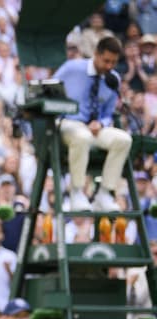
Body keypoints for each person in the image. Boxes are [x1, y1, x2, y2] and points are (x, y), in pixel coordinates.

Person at [55, 36, 132, 212]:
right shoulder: (71, 68)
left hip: (95, 129)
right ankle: (77, 193)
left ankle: (104, 194)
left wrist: (101, 123)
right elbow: (47, 90)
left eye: (113, 62)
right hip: (69, 123)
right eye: (106, 61)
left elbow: (108, 112)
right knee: (81, 137)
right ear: (96, 54)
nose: (109, 66)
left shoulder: (113, 79)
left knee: (124, 140)